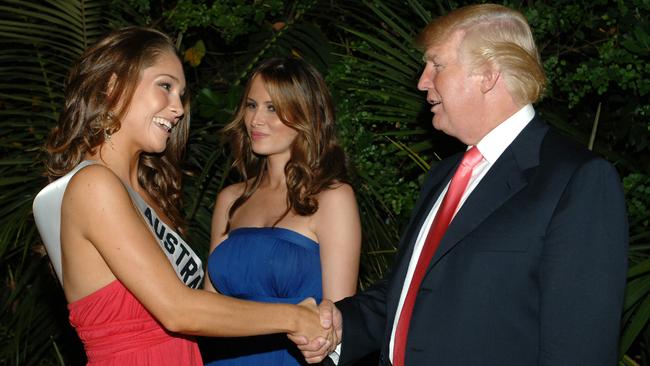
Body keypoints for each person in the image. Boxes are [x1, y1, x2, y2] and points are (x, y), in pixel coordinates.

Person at [293, 3, 629, 365]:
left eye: (436, 65)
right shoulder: (444, 176)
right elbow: (409, 293)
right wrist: (345, 324)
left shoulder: (576, 180)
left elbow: (580, 350)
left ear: (487, 74)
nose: (422, 81)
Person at [32, 27, 333, 366]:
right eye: (165, 86)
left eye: (181, 94)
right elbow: (177, 310)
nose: (177, 108)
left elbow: (197, 310)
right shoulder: (93, 184)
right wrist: (294, 317)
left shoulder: (146, 196)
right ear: (113, 87)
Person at [202, 57, 361, 365]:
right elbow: (209, 305)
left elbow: (339, 318)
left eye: (272, 107)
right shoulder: (230, 199)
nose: (255, 120)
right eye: (251, 105)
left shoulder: (332, 198)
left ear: (305, 114)